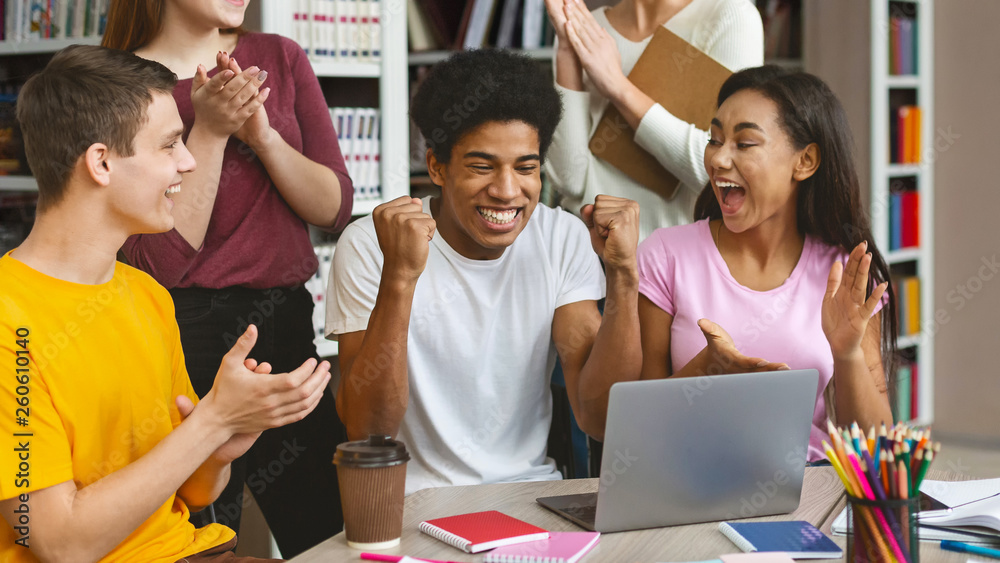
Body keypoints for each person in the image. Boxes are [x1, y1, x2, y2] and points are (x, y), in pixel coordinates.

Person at [0, 45, 331, 563]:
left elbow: (198, 495)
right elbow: (58, 544)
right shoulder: (8, 323)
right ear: (101, 163)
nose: (189, 161)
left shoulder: (148, 296)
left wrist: (222, 442)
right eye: (170, 145)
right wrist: (211, 423)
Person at [325, 49, 642, 494]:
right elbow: (368, 432)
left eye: (526, 168)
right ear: (437, 166)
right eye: (482, 166)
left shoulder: (562, 238)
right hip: (415, 505)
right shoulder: (371, 245)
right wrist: (399, 277)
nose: (507, 191)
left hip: (530, 495)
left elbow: (601, 418)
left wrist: (624, 276)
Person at [101, 1, 353, 555]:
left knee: (330, 535)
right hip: (181, 334)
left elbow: (334, 207)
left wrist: (262, 137)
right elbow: (157, 265)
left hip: (287, 328)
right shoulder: (115, 81)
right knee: (203, 538)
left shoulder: (279, 58)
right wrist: (210, 132)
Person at [636, 65, 897, 462]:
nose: (718, 159)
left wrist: (847, 354)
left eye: (744, 144)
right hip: (687, 483)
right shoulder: (665, 255)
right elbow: (638, 427)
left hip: (807, 487)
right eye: (714, 139)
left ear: (805, 161)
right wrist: (707, 370)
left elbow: (877, 449)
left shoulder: (846, 272)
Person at [544, 0, 764, 240]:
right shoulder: (586, 26)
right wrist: (566, 47)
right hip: (591, 257)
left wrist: (618, 87)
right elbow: (569, 181)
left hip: (678, 262)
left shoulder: (729, 16)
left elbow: (728, 173)